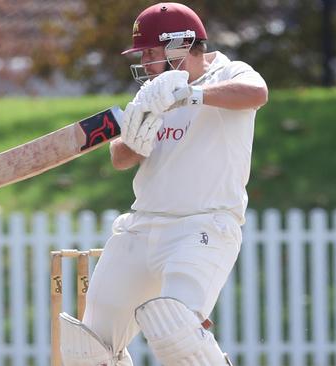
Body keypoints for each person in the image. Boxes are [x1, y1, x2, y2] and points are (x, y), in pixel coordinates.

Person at [58, 2, 268, 365]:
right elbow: (120, 158)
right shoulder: (152, 92)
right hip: (142, 227)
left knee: (178, 334)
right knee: (87, 349)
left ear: (180, 46)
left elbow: (257, 93)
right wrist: (135, 138)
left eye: (152, 53)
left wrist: (192, 95)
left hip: (202, 226)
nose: (147, 64)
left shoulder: (228, 72)